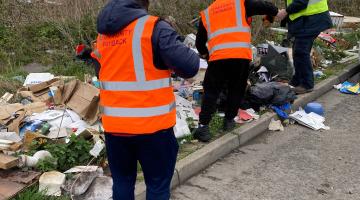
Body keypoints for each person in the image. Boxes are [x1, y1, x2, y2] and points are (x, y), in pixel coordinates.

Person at [91, 0, 200, 199]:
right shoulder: (153, 26)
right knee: (157, 185)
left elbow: (101, 73)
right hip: (153, 128)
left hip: (115, 128)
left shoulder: (103, 34)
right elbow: (189, 66)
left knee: (122, 182)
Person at [194, 0, 280, 142]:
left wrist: (207, 55)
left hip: (218, 58)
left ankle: (203, 127)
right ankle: (229, 121)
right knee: (236, 89)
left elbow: (199, 43)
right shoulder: (242, 4)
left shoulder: (207, 12)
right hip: (240, 57)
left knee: (211, 91)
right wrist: (273, 13)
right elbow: (268, 6)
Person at [277, 0, 332, 94]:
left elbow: (301, 2)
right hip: (310, 19)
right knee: (298, 50)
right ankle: (297, 80)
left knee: (301, 51)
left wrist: (286, 11)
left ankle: (307, 84)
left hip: (313, 19)